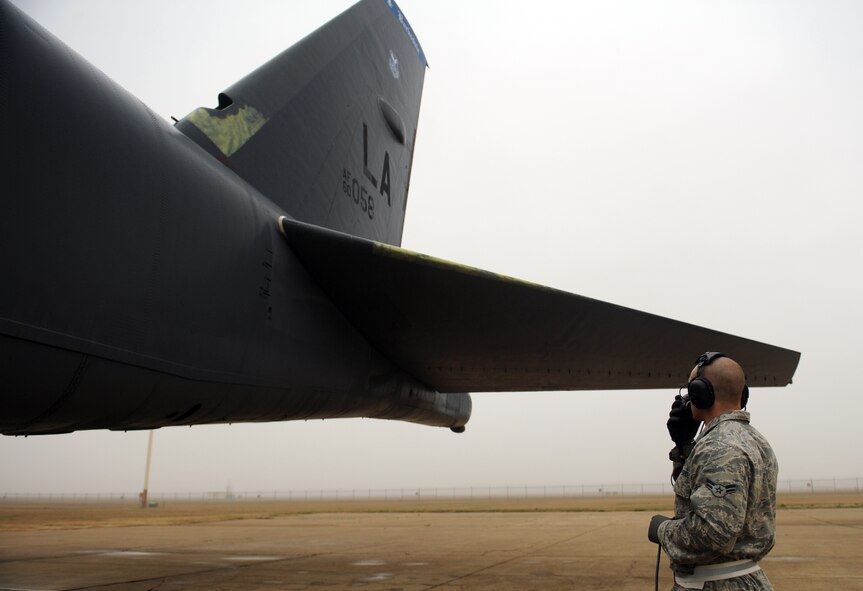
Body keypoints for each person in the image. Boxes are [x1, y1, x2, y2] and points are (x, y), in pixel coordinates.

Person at [648, 352, 778, 590]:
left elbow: (711, 532)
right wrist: (684, 445)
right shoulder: (755, 440)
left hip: (716, 583)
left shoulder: (719, 446)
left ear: (702, 393)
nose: (687, 399)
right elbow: (700, 494)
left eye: (690, 390)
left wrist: (662, 530)